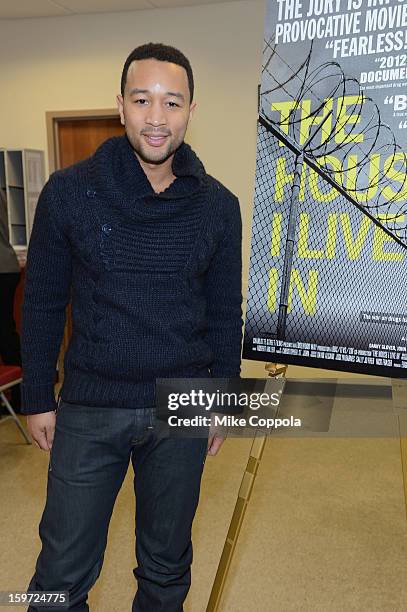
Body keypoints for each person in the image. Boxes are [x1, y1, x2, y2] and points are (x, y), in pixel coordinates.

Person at [21, 43, 243, 611]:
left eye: (172, 102)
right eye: (143, 100)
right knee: (60, 572)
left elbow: (223, 311)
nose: (156, 116)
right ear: (120, 106)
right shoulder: (70, 192)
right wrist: (38, 396)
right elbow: (44, 301)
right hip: (92, 404)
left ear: (192, 110)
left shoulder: (219, 206)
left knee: (167, 570)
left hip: (184, 405)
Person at [0, 186, 22, 413]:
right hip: (7, 265)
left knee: (5, 333)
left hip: (2, 269)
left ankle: (17, 398)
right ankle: (17, 398)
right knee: (6, 331)